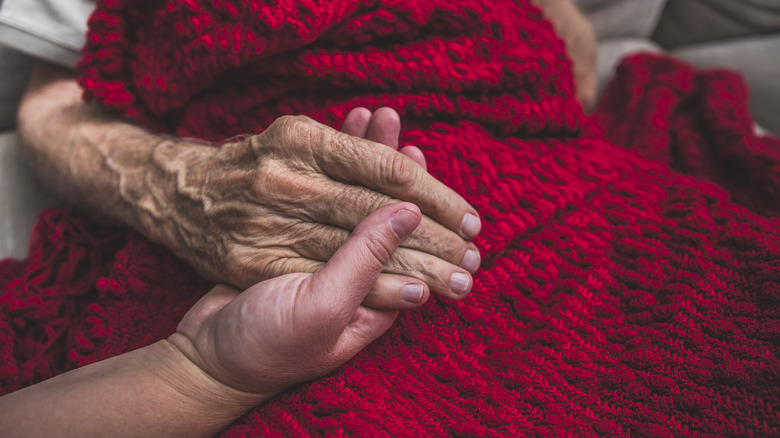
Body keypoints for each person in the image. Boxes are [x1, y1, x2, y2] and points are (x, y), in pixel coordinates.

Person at [5, 0, 779, 436]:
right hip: (283, 174)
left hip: (551, 166)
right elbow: (55, 114)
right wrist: (184, 183)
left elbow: (561, 62)